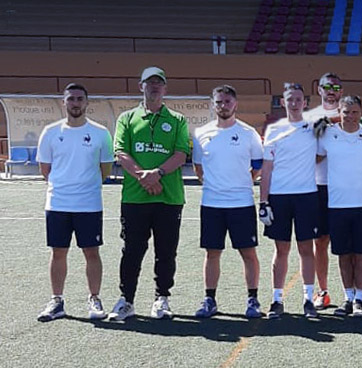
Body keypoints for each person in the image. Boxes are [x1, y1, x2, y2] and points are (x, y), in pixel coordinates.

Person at [107, 66, 190, 322]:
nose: (154, 86)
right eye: (149, 82)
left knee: (166, 252)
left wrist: (158, 174)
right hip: (135, 197)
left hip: (169, 197)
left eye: (158, 83)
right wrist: (144, 177)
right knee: (132, 250)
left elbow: (181, 154)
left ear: (165, 88)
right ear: (140, 86)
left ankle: (161, 298)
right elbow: (121, 152)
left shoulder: (177, 120)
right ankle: (127, 300)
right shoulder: (127, 118)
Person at [36, 83, 114, 322]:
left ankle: (94, 299)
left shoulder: (100, 133)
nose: (75, 103)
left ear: (87, 102)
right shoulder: (50, 132)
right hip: (57, 203)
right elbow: (45, 169)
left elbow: (105, 169)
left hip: (89, 204)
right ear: (64, 102)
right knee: (58, 252)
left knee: (91, 251)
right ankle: (56, 300)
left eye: (80, 99)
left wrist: (85, 186)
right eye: (71, 99)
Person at [191, 85, 265, 319]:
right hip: (212, 204)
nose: (223, 106)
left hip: (241, 203)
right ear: (213, 105)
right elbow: (198, 168)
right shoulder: (201, 133)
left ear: (235, 104)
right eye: (219, 102)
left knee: (248, 252)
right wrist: (214, 185)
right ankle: (209, 299)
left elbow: (257, 165)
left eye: (227, 102)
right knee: (212, 253)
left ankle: (253, 299)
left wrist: (242, 183)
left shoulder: (248, 133)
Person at [259, 82, 320, 319]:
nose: (294, 103)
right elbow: (267, 168)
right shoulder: (274, 130)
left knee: (306, 248)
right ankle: (277, 300)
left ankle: (308, 299)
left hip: (307, 196)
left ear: (305, 102)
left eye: (298, 99)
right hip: (279, 197)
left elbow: (343, 120)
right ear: (283, 102)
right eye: (290, 99)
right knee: (281, 248)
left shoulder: (314, 127)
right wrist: (263, 202)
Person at [317, 94, 362, 318]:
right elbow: (314, 158)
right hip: (337, 204)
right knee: (343, 254)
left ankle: (360, 299)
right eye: (346, 112)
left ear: (361, 113)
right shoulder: (327, 134)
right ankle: (348, 297)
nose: (350, 116)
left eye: (355, 112)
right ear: (339, 113)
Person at [302, 71, 342, 310]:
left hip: (346, 187)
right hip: (319, 186)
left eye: (336, 88)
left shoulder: (351, 114)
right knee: (320, 241)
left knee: (349, 243)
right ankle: (323, 291)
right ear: (319, 89)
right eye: (327, 87)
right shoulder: (309, 117)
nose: (331, 91)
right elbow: (311, 156)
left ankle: (353, 294)